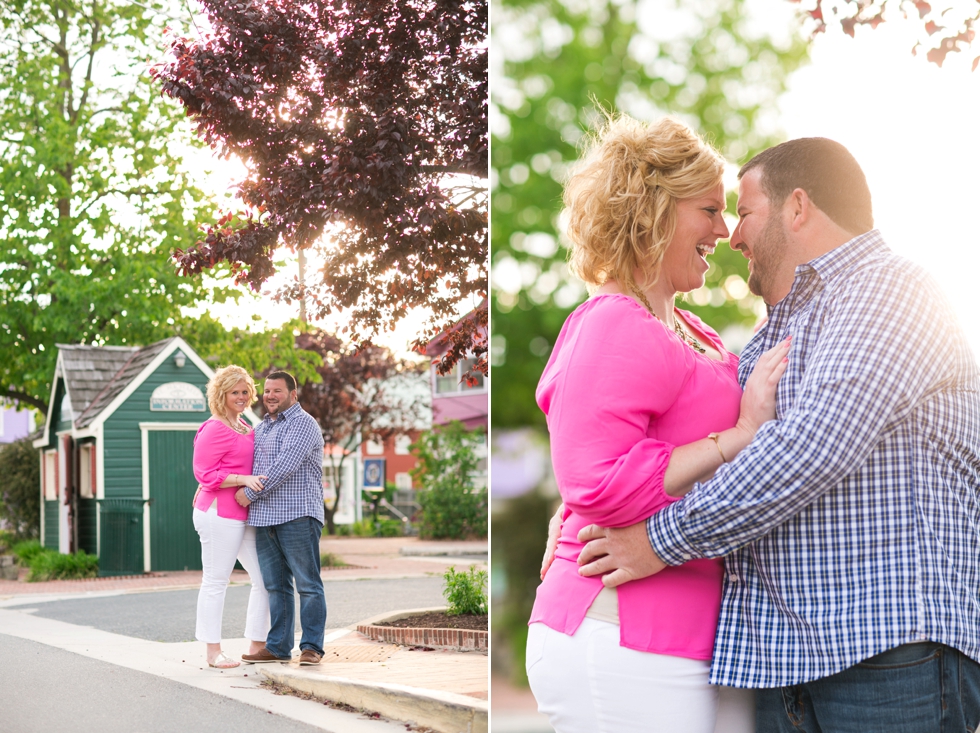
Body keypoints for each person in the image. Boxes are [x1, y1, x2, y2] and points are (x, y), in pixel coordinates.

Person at [576, 137, 980, 732]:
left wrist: (654, 540)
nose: (732, 236)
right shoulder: (766, 341)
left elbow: (812, 447)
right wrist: (590, 507)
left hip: (889, 651)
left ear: (797, 207)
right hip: (780, 664)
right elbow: (701, 451)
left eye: (742, 211)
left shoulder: (891, 290)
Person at [527, 114, 791, 733]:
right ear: (653, 210)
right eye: (709, 210)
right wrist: (734, 439)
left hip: (693, 637)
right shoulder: (614, 321)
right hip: (616, 631)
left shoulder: (692, 331)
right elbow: (593, 485)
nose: (724, 231)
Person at [235, 370, 327, 666]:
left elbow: (283, 467)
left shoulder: (304, 424)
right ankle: (277, 647)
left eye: (277, 391)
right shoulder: (260, 428)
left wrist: (248, 494)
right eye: (267, 391)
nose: (270, 396)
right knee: (276, 586)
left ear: (293, 394)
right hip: (264, 519)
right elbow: (246, 464)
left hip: (298, 515)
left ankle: (312, 647)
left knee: (308, 584)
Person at [191, 364, 270, 669]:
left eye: (245, 391)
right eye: (234, 392)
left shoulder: (246, 426)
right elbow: (204, 474)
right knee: (216, 581)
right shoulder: (214, 428)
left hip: (242, 513)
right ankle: (213, 652)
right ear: (221, 395)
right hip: (217, 514)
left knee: (264, 578)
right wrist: (242, 479)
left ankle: (256, 645)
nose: (241, 396)